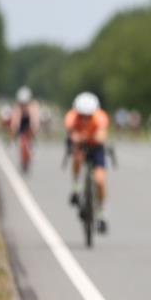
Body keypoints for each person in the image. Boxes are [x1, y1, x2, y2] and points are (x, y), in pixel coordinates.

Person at [65, 92, 111, 233]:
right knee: (77, 157)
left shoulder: (101, 117)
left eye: (88, 116)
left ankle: (102, 214)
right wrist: (78, 138)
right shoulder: (71, 117)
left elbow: (101, 135)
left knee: (100, 180)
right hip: (80, 146)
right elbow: (72, 135)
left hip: (96, 147)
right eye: (82, 116)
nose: (85, 119)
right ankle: (76, 188)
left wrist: (90, 136)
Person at [10, 86, 40, 172]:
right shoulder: (17, 108)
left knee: (30, 137)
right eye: (22, 103)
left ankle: (31, 146)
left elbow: (35, 120)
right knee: (21, 142)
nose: (23, 105)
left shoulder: (33, 106)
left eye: (25, 103)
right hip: (21, 126)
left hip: (30, 126)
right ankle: (22, 157)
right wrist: (14, 129)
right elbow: (15, 121)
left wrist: (34, 129)